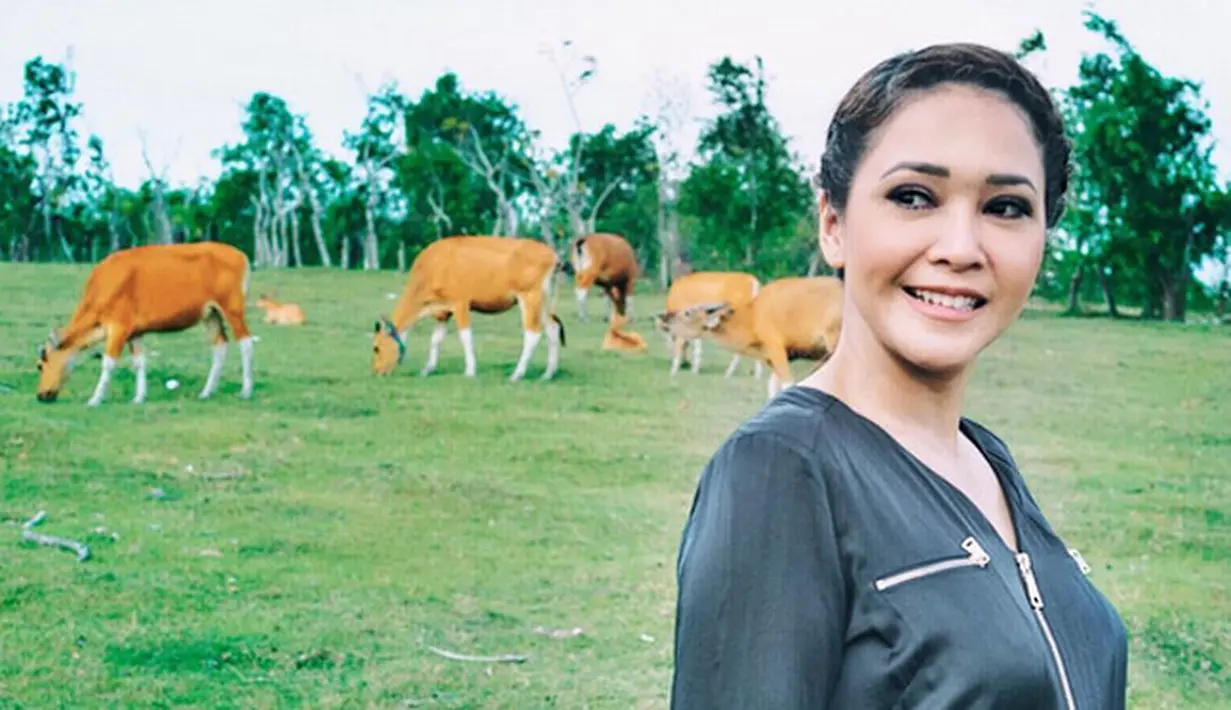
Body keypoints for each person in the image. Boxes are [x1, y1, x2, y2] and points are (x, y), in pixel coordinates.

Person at [669, 42, 1129, 709]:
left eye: (1005, 207)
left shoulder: (983, 458)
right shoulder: (780, 468)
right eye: (913, 197)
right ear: (833, 224)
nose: (959, 249)